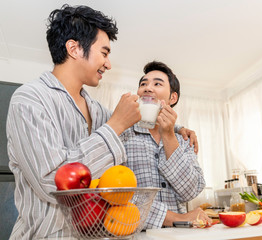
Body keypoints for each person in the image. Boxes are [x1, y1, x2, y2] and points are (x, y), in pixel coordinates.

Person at [6, 5, 197, 239]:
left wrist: (177, 129)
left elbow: (137, 127)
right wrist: (116, 125)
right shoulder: (29, 100)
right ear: (74, 48)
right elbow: (52, 181)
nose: (108, 64)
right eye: (104, 53)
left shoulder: (96, 111)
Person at [120, 61, 211, 229]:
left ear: (172, 98)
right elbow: (116, 194)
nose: (147, 88)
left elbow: (190, 191)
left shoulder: (184, 141)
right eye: (143, 84)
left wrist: (169, 135)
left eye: (157, 83)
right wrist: (176, 218)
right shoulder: (123, 135)